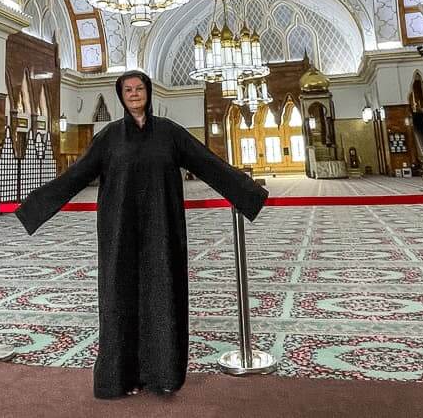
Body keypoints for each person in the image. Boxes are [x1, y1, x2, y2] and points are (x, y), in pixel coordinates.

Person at [15, 70, 268, 399]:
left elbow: (207, 163)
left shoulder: (169, 134)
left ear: (148, 92)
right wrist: (34, 207)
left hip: (162, 230)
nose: (134, 94)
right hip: (119, 232)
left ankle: (162, 375)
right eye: (128, 90)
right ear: (121, 96)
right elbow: (76, 175)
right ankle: (119, 378)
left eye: (139, 88)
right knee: (119, 299)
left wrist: (248, 192)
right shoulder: (108, 137)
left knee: (163, 297)